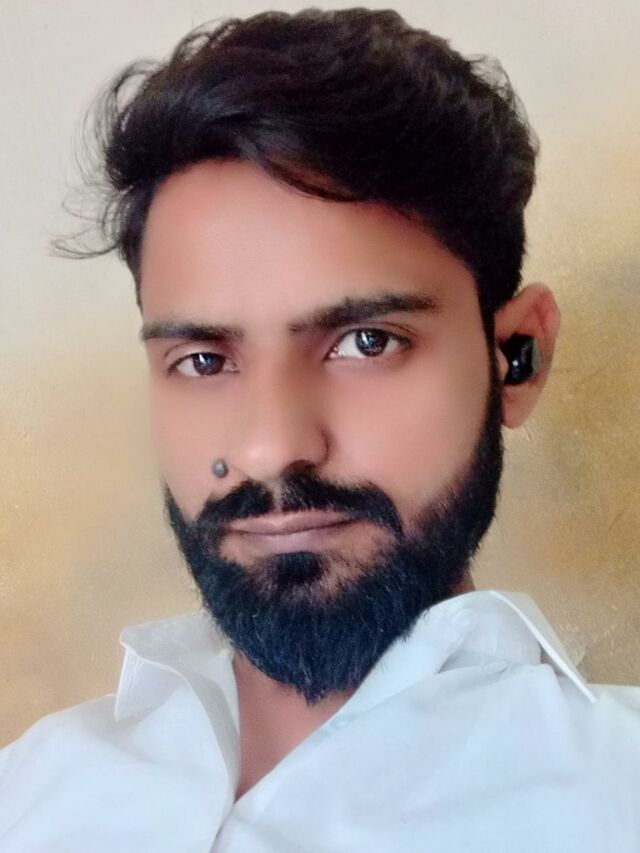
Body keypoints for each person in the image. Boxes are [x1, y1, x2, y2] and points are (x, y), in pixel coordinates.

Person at [0, 7, 638, 851]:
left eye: (366, 342)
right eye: (203, 358)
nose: (270, 447)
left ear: (518, 356)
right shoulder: (29, 788)